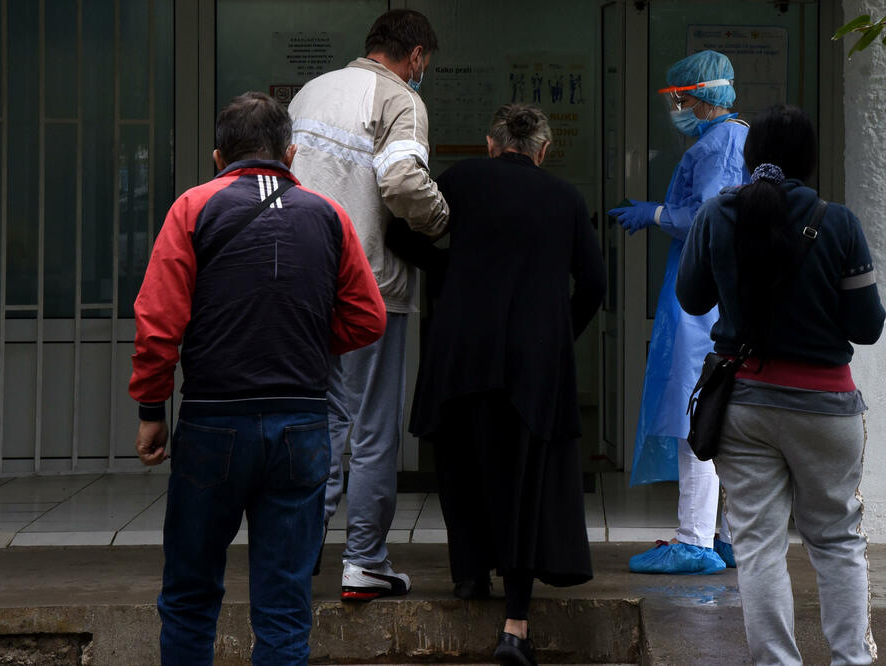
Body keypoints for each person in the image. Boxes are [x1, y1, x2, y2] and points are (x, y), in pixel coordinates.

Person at [129, 92, 386, 665]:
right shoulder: (327, 214)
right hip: (300, 427)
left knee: (192, 594)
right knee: (284, 602)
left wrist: (151, 410)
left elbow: (157, 324)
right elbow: (369, 317)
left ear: (219, 156)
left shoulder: (193, 208)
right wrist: (309, 340)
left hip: (212, 426)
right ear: (290, 154)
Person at [677, 103, 884, 665]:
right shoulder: (839, 222)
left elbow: (692, 298)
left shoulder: (717, 216)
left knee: (759, 548)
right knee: (838, 542)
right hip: (827, 409)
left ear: (751, 156)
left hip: (742, 405)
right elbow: (868, 328)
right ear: (809, 160)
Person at [408, 104, 605, 666]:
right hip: (532, 359)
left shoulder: (462, 179)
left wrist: (452, 272)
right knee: (524, 481)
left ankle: (470, 575)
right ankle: (515, 622)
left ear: (491, 144)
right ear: (542, 151)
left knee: (460, 461)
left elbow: (405, 230)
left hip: (462, 348)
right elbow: (594, 280)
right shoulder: (565, 198)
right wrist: (559, 329)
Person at [286, 9, 449, 600]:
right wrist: (441, 221)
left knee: (319, 422)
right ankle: (364, 563)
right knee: (373, 429)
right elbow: (404, 183)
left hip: (303, 289)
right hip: (369, 290)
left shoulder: (310, 93)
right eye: (423, 63)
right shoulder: (399, 99)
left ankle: (300, 555)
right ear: (415, 56)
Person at [609, 50, 748, 574]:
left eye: (681, 98)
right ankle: (728, 537)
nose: (678, 108)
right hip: (716, 294)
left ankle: (695, 540)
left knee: (700, 414)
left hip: (703, 301)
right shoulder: (732, 138)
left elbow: (708, 214)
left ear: (704, 96)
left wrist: (656, 213)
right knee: (724, 418)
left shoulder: (719, 144)